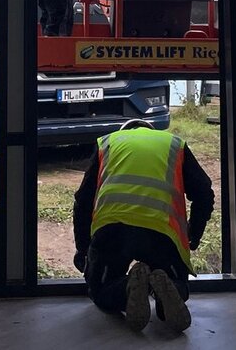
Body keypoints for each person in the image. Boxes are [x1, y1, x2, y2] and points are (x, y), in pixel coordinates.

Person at [72, 119, 215, 332]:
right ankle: (167, 290)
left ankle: (127, 289)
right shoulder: (174, 144)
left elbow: (83, 200)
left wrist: (83, 249)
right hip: (161, 230)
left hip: (114, 228)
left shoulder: (107, 143)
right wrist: (193, 234)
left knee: (101, 290)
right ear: (152, 132)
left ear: (125, 133)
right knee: (176, 284)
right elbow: (204, 192)